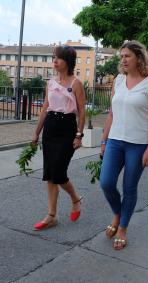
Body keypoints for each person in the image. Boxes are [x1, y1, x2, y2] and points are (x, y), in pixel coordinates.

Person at [99, 41, 148, 250]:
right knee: (106, 183)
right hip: (115, 141)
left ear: (139, 58)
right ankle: (118, 213)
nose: (123, 60)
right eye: (121, 56)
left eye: (127, 56)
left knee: (129, 188)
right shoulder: (118, 80)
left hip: (138, 144)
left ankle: (123, 227)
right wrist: (104, 139)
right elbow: (111, 113)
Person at [32, 45, 86, 230]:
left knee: (59, 172)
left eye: (58, 58)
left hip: (67, 129)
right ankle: (51, 215)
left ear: (68, 62)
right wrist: (36, 133)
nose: (55, 61)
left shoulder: (76, 83)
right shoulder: (51, 82)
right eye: (54, 57)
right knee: (49, 173)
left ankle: (75, 199)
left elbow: (81, 110)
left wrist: (79, 135)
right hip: (51, 128)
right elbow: (45, 108)